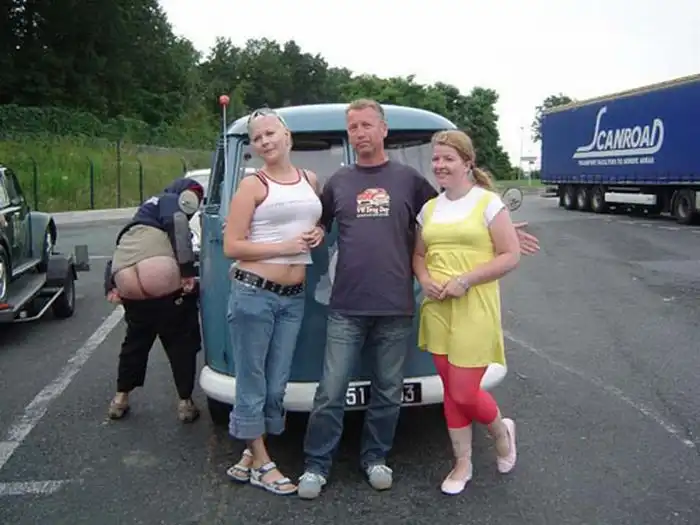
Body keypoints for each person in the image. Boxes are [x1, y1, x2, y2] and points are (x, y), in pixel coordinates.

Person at [297, 99, 540, 500]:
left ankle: (376, 458)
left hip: (395, 305)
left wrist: (502, 227)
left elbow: (453, 209)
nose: (360, 133)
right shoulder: (339, 181)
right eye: (353, 127)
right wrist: (317, 231)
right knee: (330, 390)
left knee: (388, 390)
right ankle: (316, 466)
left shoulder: (409, 179)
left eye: (367, 125)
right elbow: (323, 222)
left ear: (383, 130)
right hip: (346, 305)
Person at [222, 108, 324, 496]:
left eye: (270, 133)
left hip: (293, 298)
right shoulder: (253, 185)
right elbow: (232, 246)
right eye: (257, 138)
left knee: (276, 384)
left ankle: (251, 453)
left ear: (287, 136)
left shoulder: (310, 180)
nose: (265, 141)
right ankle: (264, 464)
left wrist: (317, 232)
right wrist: (284, 246)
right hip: (254, 293)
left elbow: (313, 220)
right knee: (253, 380)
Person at [414, 129, 520, 495]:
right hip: (437, 308)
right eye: (436, 159)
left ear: (467, 163)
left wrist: (466, 280)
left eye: (448, 158)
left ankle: (501, 432)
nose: (440, 165)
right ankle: (462, 462)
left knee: (463, 391)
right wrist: (424, 279)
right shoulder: (429, 209)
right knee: (450, 390)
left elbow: (510, 255)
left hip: (474, 306)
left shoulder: (488, 203)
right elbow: (418, 255)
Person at [104, 177, 204, 423]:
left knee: (135, 342)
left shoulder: (144, 212)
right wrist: (187, 272)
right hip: (161, 279)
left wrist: (110, 285)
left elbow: (118, 253)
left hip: (126, 279)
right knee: (181, 339)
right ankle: (185, 402)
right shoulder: (171, 201)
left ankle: (120, 398)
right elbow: (177, 226)